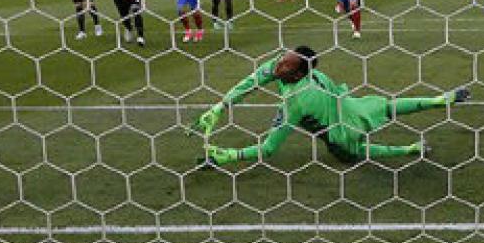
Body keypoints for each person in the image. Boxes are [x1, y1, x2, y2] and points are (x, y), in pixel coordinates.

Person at [194, 46, 469, 167]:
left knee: (355, 155)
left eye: (285, 65)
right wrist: (220, 107)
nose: (277, 65)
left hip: (340, 131)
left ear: (299, 73)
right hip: (349, 104)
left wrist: (229, 154)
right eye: (281, 59)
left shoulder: (297, 101)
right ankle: (438, 100)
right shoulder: (289, 71)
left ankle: (408, 149)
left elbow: (269, 148)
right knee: (388, 107)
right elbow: (249, 83)